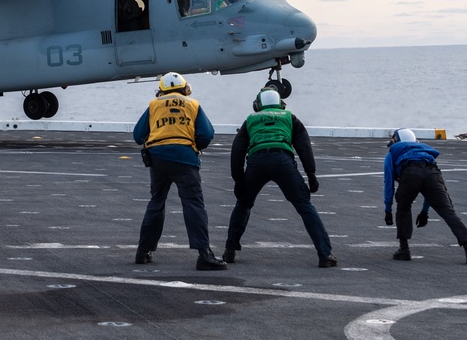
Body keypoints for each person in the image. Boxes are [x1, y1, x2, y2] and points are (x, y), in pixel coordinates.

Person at [223, 87, 337, 268]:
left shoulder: (250, 120)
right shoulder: (289, 117)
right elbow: (304, 147)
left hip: (256, 161)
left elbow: (237, 150)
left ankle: (230, 250)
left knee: (243, 204)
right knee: (305, 206)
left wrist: (238, 180)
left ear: (257, 104)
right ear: (281, 103)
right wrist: (311, 174)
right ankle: (325, 254)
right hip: (283, 161)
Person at [133, 72, 227, 271]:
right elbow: (206, 134)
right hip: (185, 159)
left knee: (156, 203)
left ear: (161, 90)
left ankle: (143, 251)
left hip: (158, 159)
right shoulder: (192, 104)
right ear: (185, 88)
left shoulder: (153, 105)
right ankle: (204, 254)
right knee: (193, 204)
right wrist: (194, 145)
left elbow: (138, 135)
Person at [383, 128, 467, 264]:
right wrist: (425, 211)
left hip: (410, 174)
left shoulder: (392, 153)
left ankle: (404, 249)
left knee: (403, 208)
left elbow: (389, 183)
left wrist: (388, 209)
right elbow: (429, 183)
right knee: (448, 212)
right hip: (432, 173)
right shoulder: (424, 152)